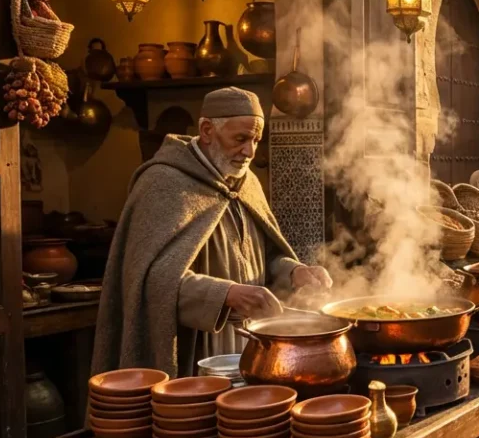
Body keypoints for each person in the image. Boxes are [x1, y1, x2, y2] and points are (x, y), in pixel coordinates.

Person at [92, 88, 333, 378]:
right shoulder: (163, 183)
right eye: (240, 139)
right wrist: (224, 294)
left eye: (256, 140)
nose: (250, 152)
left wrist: (293, 272)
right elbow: (147, 281)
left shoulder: (247, 183)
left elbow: (262, 256)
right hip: (195, 349)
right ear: (207, 130)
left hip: (251, 341)